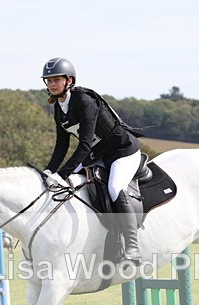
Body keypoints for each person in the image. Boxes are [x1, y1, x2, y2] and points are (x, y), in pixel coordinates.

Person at [41, 57, 142, 265]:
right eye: (48, 81)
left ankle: (132, 247)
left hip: (122, 151)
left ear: (69, 81)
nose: (51, 84)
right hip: (98, 155)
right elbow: (61, 146)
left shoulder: (84, 101)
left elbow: (84, 144)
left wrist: (62, 174)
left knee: (115, 188)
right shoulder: (60, 108)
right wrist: (48, 172)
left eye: (56, 80)